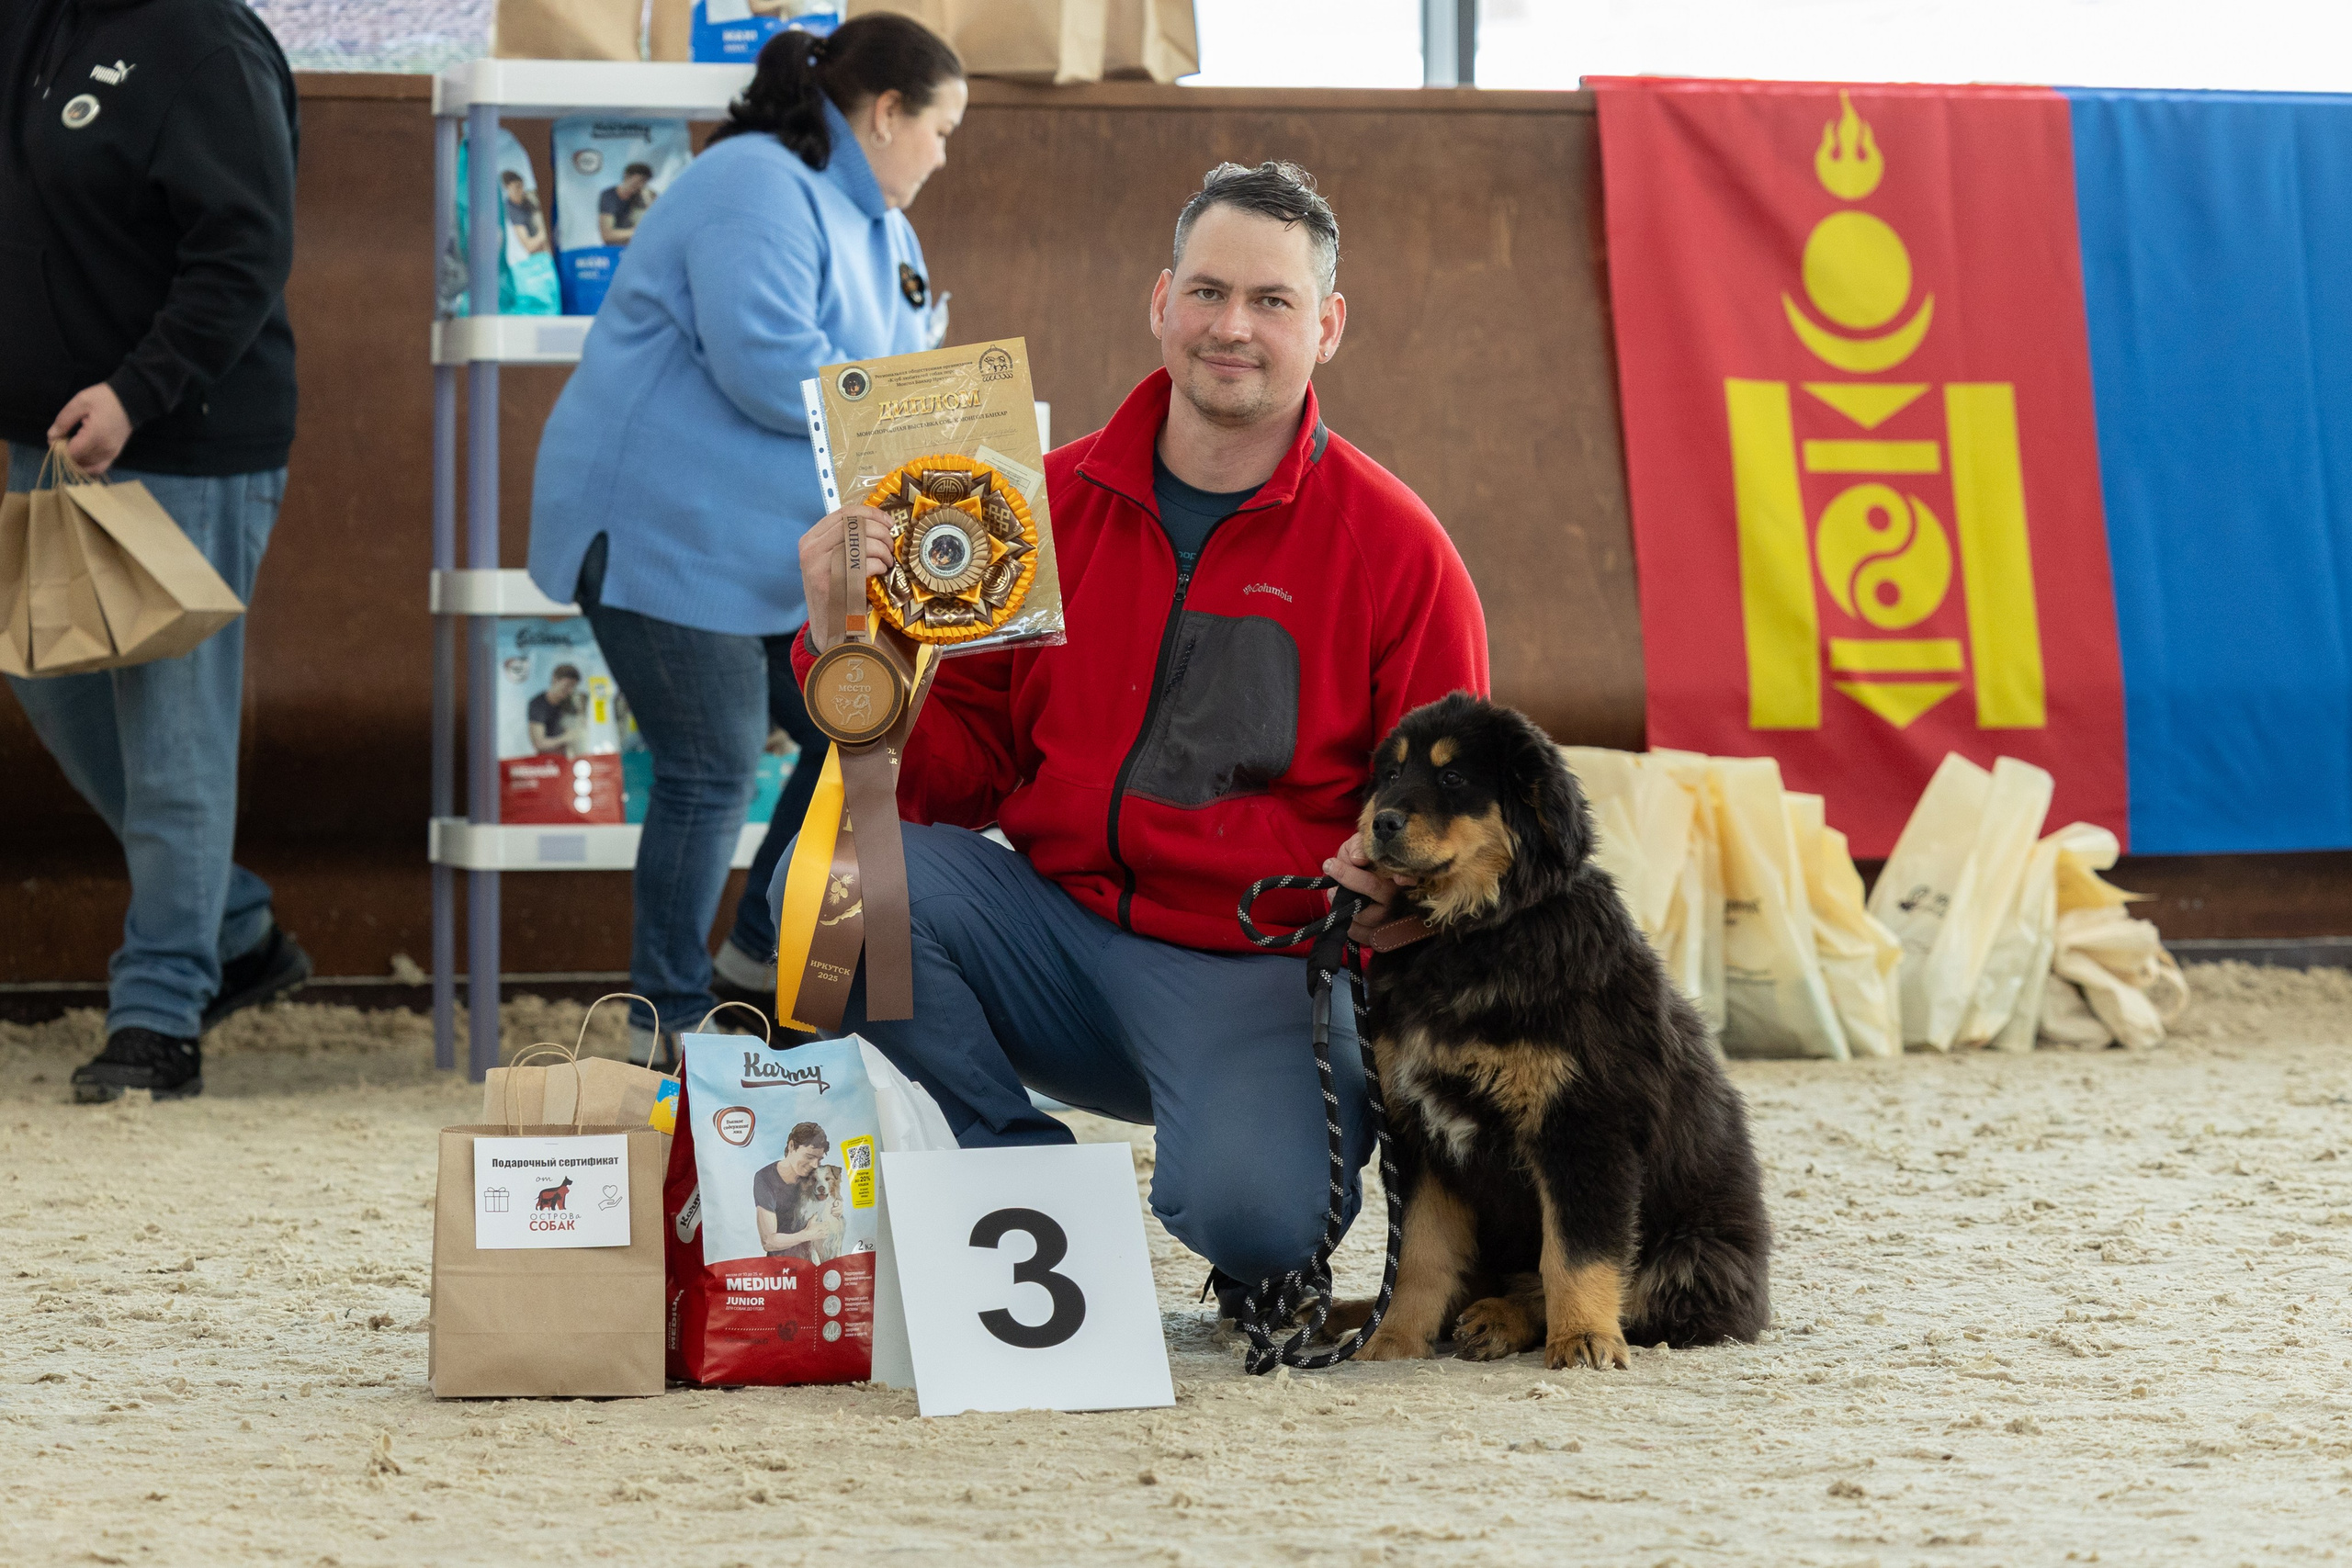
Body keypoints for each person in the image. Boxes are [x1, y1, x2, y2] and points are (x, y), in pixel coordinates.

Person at [781, 162, 1489, 1300]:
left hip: (1260, 969)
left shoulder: (1401, 552)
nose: (1233, 328)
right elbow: (943, 785)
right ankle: (1016, 1177)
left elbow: (1460, 827)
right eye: (1208, 293)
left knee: (1259, 1225)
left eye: (1273, 303)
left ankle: (1242, 1188)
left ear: (1329, 327)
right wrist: (851, 645)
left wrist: (1388, 886)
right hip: (1053, 936)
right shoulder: (1032, 511)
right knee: (829, 889)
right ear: (1160, 302)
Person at [527, 15, 966, 1066]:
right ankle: (662, 1018)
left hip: (773, 557)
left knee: (853, 737)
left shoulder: (885, 230)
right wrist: (917, 408)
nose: (945, 154)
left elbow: (891, 374)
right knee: (710, 765)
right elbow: (766, 360)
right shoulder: (753, 183)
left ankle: (752, 963)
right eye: (942, 128)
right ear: (887, 113)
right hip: (657, 536)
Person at [1, 0, 313, 1103]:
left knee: (175, 731)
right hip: (43, 449)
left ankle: (159, 1013)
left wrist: (138, 390)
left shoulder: (205, 41)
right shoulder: (31, 26)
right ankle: (229, 926)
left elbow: (247, 248)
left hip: (180, 441)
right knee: (53, 683)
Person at [753, 1121, 832, 1261]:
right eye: (809, 1157)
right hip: (780, 1267)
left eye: (819, 1159)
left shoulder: (814, 1176)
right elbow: (768, 1241)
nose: (814, 1165)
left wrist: (836, 1206)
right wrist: (806, 1235)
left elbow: (831, 1199)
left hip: (813, 1262)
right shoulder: (765, 1178)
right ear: (791, 1146)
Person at [527, 664, 582, 756]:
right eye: (567, 685)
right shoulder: (538, 704)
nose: (570, 690)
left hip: (567, 760)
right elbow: (539, 743)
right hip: (546, 762)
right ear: (555, 679)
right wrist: (566, 738)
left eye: (573, 686)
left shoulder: (570, 704)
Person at [596, 162, 655, 246]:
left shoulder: (645, 195)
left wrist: (647, 199)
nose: (640, 185)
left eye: (644, 182)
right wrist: (637, 231)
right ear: (627, 176)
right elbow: (607, 235)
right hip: (615, 249)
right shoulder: (609, 196)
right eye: (639, 181)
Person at [502, 169, 548, 256]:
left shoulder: (529, 199)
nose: (521, 190)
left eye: (522, 186)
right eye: (517, 187)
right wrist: (544, 232)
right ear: (507, 187)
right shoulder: (511, 211)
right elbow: (529, 246)